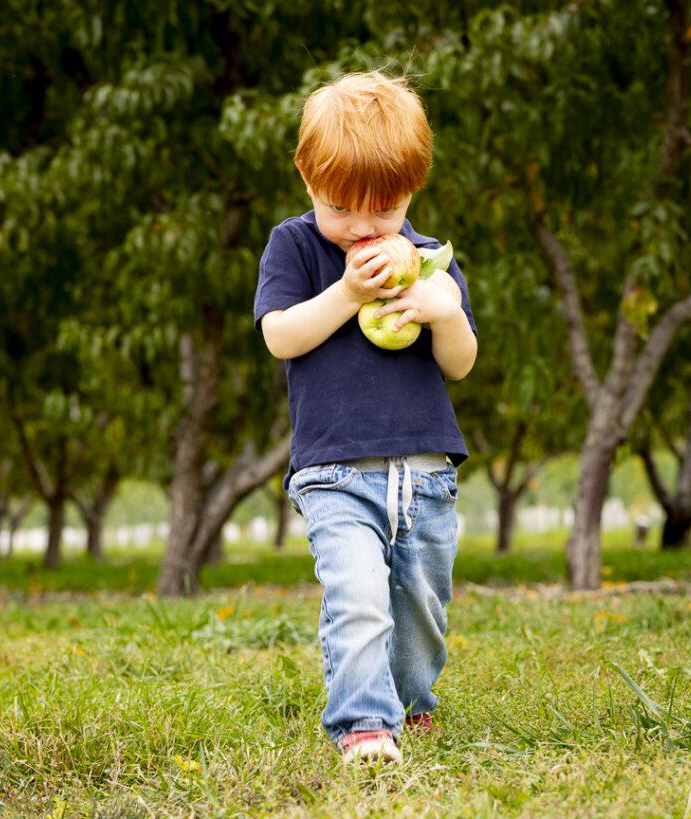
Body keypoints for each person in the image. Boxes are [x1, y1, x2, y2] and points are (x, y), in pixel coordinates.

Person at [253, 71, 477, 765]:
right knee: (357, 597)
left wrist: (445, 311)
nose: (363, 228)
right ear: (307, 179)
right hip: (335, 471)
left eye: (383, 211)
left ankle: (411, 704)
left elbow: (461, 362)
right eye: (342, 208)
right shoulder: (295, 247)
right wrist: (349, 291)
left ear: (413, 189)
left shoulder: (431, 262)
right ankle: (362, 724)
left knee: (419, 613)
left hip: (427, 471)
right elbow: (282, 335)